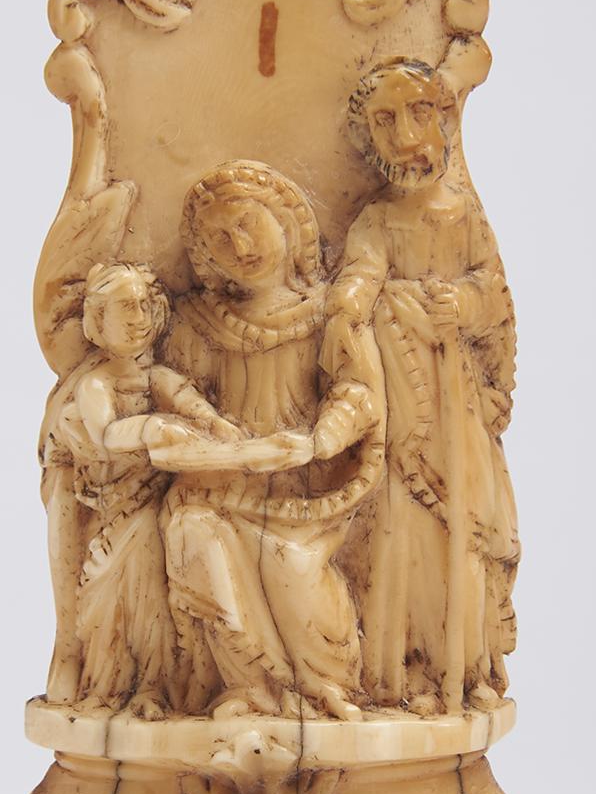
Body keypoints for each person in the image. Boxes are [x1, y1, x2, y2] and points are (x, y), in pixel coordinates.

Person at [325, 58, 520, 713]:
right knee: (405, 535)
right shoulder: (377, 222)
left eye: (418, 113)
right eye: (386, 122)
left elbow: (494, 294)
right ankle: (406, 671)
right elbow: (359, 277)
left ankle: (467, 667)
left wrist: (463, 305)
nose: (406, 136)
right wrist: (354, 303)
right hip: (405, 407)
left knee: (465, 529)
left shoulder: (464, 216)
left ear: (443, 118)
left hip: (455, 404)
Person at [155, 161, 383, 720]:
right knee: (195, 535)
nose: (240, 246)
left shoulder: (329, 314)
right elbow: (172, 393)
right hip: (219, 487)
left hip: (303, 490)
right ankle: (252, 686)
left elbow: (357, 391)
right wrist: (212, 434)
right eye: (219, 239)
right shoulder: (198, 323)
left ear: (287, 221)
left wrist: (321, 438)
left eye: (248, 223)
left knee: (291, 566)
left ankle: (323, 686)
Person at [39, 260, 239, 714]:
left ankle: (152, 686)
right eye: (125, 308)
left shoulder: (156, 378)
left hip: (148, 502)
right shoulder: (95, 384)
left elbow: (194, 406)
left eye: (145, 306)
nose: (138, 318)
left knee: (153, 582)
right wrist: (151, 427)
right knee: (110, 587)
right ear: (97, 321)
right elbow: (107, 434)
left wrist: (218, 427)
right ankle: (106, 681)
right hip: (107, 504)